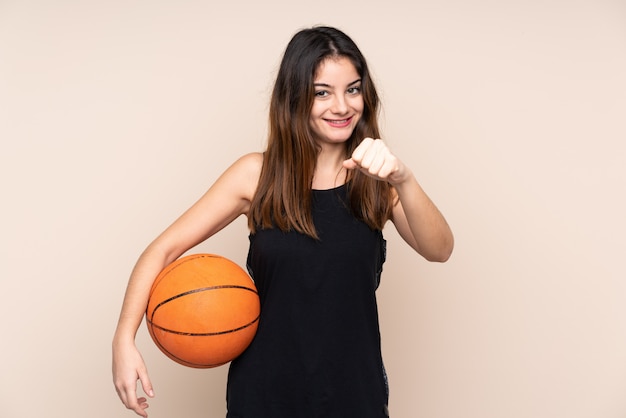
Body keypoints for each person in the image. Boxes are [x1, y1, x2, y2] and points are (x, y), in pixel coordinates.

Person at [112, 25, 454, 418]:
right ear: (294, 97)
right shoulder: (256, 176)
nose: (342, 106)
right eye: (322, 92)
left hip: (354, 398)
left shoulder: (377, 179)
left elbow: (440, 249)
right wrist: (124, 338)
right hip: (262, 399)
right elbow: (162, 250)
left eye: (353, 89)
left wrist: (403, 178)